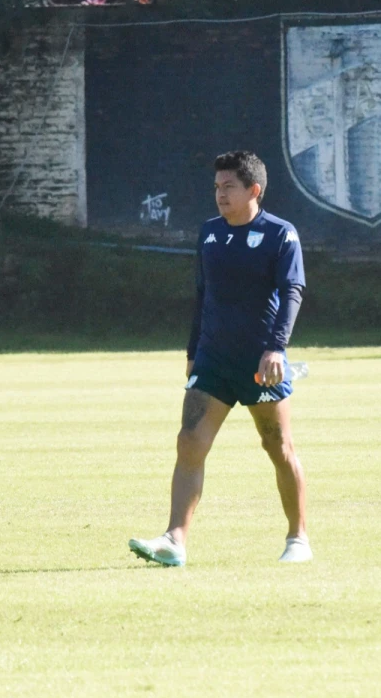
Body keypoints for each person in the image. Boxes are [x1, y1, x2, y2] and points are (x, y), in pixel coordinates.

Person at [129, 151, 311, 567]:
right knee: (189, 441)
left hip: (260, 364)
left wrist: (276, 348)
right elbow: (202, 295)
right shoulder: (209, 234)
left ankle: (298, 538)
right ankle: (175, 540)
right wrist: (192, 352)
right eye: (216, 187)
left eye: (229, 186)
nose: (220, 195)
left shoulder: (281, 235)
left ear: (254, 190)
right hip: (212, 360)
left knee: (277, 445)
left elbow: (292, 293)